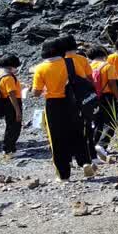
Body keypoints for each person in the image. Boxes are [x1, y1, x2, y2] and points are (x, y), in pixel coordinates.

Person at [32, 39, 94, 180]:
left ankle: (64, 174)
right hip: (72, 102)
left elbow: (36, 93)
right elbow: (83, 80)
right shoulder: (70, 63)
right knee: (78, 132)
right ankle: (84, 161)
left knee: (57, 139)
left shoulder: (40, 69)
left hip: (53, 104)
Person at [58, 35, 95, 164]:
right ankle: (90, 155)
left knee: (67, 126)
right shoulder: (82, 59)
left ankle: (71, 154)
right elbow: (90, 78)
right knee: (87, 125)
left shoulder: (59, 61)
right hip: (83, 96)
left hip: (65, 98)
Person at [91, 45, 118, 162]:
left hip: (92, 98)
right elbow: (112, 84)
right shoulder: (108, 66)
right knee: (111, 121)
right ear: (104, 54)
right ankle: (102, 145)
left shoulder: (88, 66)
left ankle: (92, 147)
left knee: (97, 122)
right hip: (107, 96)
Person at [0, 55, 23, 159]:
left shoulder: (1, 75)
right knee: (14, 127)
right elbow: (11, 94)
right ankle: (9, 150)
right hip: (12, 104)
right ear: (10, 66)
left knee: (10, 126)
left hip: (6, 103)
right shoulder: (8, 78)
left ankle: (8, 149)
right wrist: (18, 111)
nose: (16, 68)